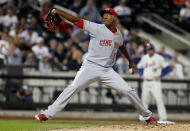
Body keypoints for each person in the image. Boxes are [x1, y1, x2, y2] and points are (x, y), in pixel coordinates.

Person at [35, 8, 157, 124]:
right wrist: (58, 12)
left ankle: (147, 116)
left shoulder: (118, 34)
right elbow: (75, 20)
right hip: (90, 67)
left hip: (107, 70)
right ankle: (46, 114)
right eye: (103, 16)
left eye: (107, 16)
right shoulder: (97, 28)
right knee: (73, 87)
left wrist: (130, 61)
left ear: (114, 18)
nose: (104, 18)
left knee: (128, 90)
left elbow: (122, 46)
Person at [137, 43, 171, 122]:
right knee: (144, 100)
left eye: (151, 50)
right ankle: (143, 117)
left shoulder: (159, 58)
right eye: (148, 50)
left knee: (159, 100)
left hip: (155, 82)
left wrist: (161, 76)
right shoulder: (144, 57)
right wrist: (141, 74)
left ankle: (163, 118)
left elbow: (167, 67)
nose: (150, 51)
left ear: (154, 50)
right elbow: (139, 67)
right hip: (146, 82)